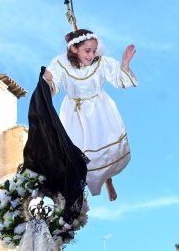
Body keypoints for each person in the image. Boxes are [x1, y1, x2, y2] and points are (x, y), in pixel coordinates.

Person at [44, 29, 137, 201]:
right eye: (88, 50)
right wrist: (49, 81)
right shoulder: (60, 64)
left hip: (99, 111)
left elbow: (118, 78)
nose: (92, 55)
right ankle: (86, 186)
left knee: (104, 146)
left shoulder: (100, 63)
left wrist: (125, 63)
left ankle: (108, 180)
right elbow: (53, 87)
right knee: (79, 152)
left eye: (94, 50)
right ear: (74, 49)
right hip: (75, 114)